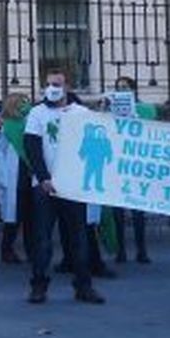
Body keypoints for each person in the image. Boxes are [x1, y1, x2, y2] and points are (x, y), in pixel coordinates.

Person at [23, 69, 105, 305]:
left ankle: (83, 286)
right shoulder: (37, 113)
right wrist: (43, 177)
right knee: (43, 239)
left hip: (72, 186)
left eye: (57, 84)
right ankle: (38, 285)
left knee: (78, 237)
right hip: (45, 186)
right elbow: (32, 146)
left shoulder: (81, 113)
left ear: (67, 86)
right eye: (48, 84)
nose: (52, 88)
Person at [107, 77, 154, 265]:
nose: (121, 91)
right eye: (118, 88)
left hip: (136, 163)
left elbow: (152, 132)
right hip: (117, 162)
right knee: (117, 209)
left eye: (125, 88)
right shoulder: (110, 111)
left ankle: (141, 250)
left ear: (133, 90)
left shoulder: (145, 110)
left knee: (137, 210)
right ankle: (121, 251)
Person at [0, 94, 33, 264]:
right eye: (23, 103)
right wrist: (2, 177)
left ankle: (32, 250)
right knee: (13, 217)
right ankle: (7, 250)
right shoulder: (5, 125)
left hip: (30, 173)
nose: (26, 106)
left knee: (32, 218)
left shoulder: (29, 122)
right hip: (13, 175)